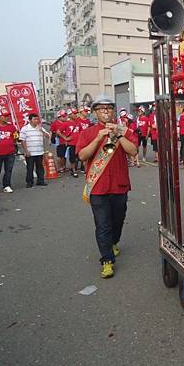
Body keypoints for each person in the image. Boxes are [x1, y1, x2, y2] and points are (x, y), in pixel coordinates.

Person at [77, 96, 138, 279]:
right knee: (102, 224)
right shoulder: (87, 133)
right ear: (95, 112)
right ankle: (106, 260)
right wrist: (97, 139)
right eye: (101, 108)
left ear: (113, 111)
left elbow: (133, 151)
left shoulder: (124, 130)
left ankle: (113, 242)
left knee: (118, 220)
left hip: (119, 185)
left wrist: (118, 134)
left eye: (109, 108)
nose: (105, 111)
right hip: (98, 187)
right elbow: (82, 156)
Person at [19, 113, 50, 188]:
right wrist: (26, 151)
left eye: (37, 119)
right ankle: (29, 182)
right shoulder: (25, 128)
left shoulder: (40, 128)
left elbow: (48, 136)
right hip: (30, 152)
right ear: (29, 120)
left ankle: (40, 181)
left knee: (40, 167)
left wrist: (41, 131)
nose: (37, 121)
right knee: (30, 168)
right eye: (34, 119)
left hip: (39, 151)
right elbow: (22, 140)